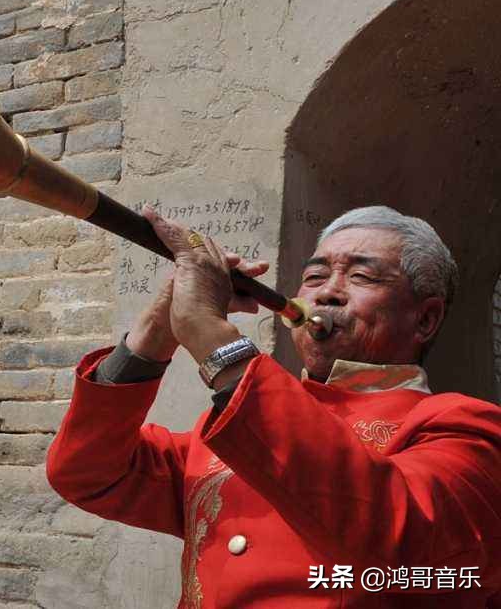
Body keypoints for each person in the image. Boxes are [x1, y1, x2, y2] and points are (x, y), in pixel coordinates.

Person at [46, 206, 501, 608]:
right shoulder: (223, 427)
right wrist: (158, 327)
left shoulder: (464, 427)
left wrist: (209, 334)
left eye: (361, 277)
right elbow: (87, 474)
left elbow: (402, 533)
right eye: (315, 276)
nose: (326, 293)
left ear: (425, 318)